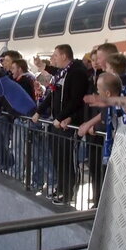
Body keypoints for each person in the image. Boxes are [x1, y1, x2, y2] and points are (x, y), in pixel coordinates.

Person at [32, 44, 90, 205]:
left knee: (68, 159)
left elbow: (76, 99)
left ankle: (69, 192)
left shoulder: (77, 72)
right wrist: (39, 110)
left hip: (68, 126)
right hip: (57, 123)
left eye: (55, 55)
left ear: (64, 56)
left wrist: (63, 117)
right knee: (58, 158)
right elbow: (52, 94)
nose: (53, 58)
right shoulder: (61, 73)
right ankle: (62, 187)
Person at [78, 72, 122, 207]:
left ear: (108, 94)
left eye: (98, 89)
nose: (96, 92)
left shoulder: (124, 106)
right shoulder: (110, 107)